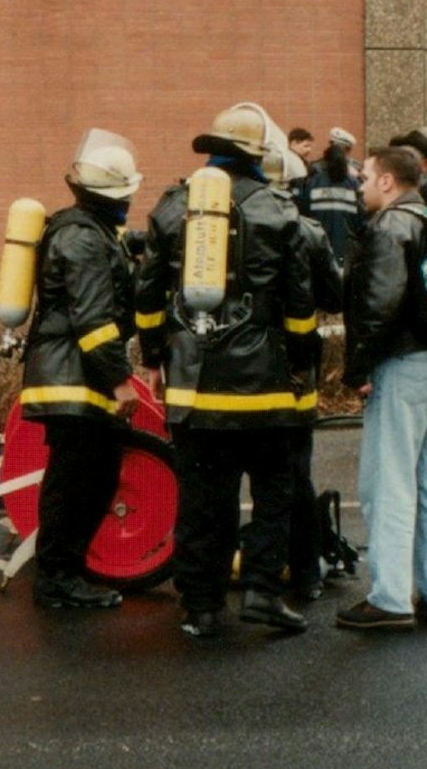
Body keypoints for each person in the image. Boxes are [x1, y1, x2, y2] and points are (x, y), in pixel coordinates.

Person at [135, 104, 319, 638]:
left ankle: (203, 606)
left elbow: (148, 298)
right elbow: (300, 304)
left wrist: (153, 359)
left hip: (194, 387)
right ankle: (262, 591)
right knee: (274, 493)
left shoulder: (173, 208)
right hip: (266, 388)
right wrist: (301, 364)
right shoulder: (279, 209)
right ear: (259, 157)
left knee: (202, 501)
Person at [336, 145, 427, 631]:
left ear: (388, 181)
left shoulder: (391, 226)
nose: (360, 185)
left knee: (388, 483)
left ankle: (390, 599)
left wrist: (358, 368)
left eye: (366, 176)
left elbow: (379, 303)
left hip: (405, 365)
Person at [18, 130, 145, 609]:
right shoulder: (83, 240)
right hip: (73, 380)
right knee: (79, 482)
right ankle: (57, 580)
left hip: (69, 377)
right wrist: (119, 380)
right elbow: (93, 321)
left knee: (84, 477)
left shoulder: (83, 231)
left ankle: (61, 575)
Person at [242, 144, 344, 605]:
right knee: (292, 476)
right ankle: (305, 573)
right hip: (294, 377)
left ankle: (238, 572)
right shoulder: (309, 232)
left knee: (232, 480)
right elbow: (336, 296)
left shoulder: (227, 225)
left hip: (235, 374)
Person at [300, 127, 363, 260]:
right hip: (346, 250)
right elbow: (361, 217)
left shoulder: (313, 181)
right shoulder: (354, 182)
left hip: (318, 248)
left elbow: (304, 214)